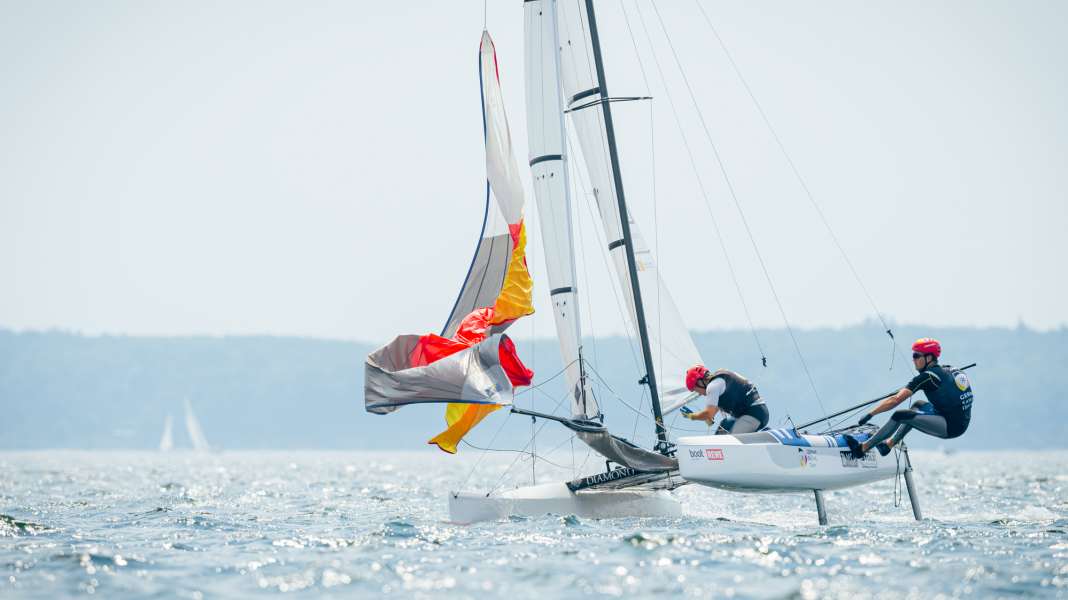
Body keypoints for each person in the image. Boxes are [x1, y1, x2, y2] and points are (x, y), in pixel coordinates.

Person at [846, 338, 973, 458]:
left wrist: (870, 414)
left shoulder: (927, 377)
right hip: (957, 420)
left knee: (900, 415)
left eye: (916, 356)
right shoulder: (951, 369)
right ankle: (888, 445)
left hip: (950, 427)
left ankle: (862, 449)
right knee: (918, 405)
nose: (913, 360)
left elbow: (895, 400)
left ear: (929, 358)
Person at [682, 366, 769, 434]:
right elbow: (711, 415)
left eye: (696, 390)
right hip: (757, 413)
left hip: (753, 415)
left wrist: (691, 416)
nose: (699, 394)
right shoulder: (719, 380)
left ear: (699, 382)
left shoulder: (712, 387)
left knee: (729, 441)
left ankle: (764, 437)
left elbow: (708, 413)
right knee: (724, 426)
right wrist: (704, 417)